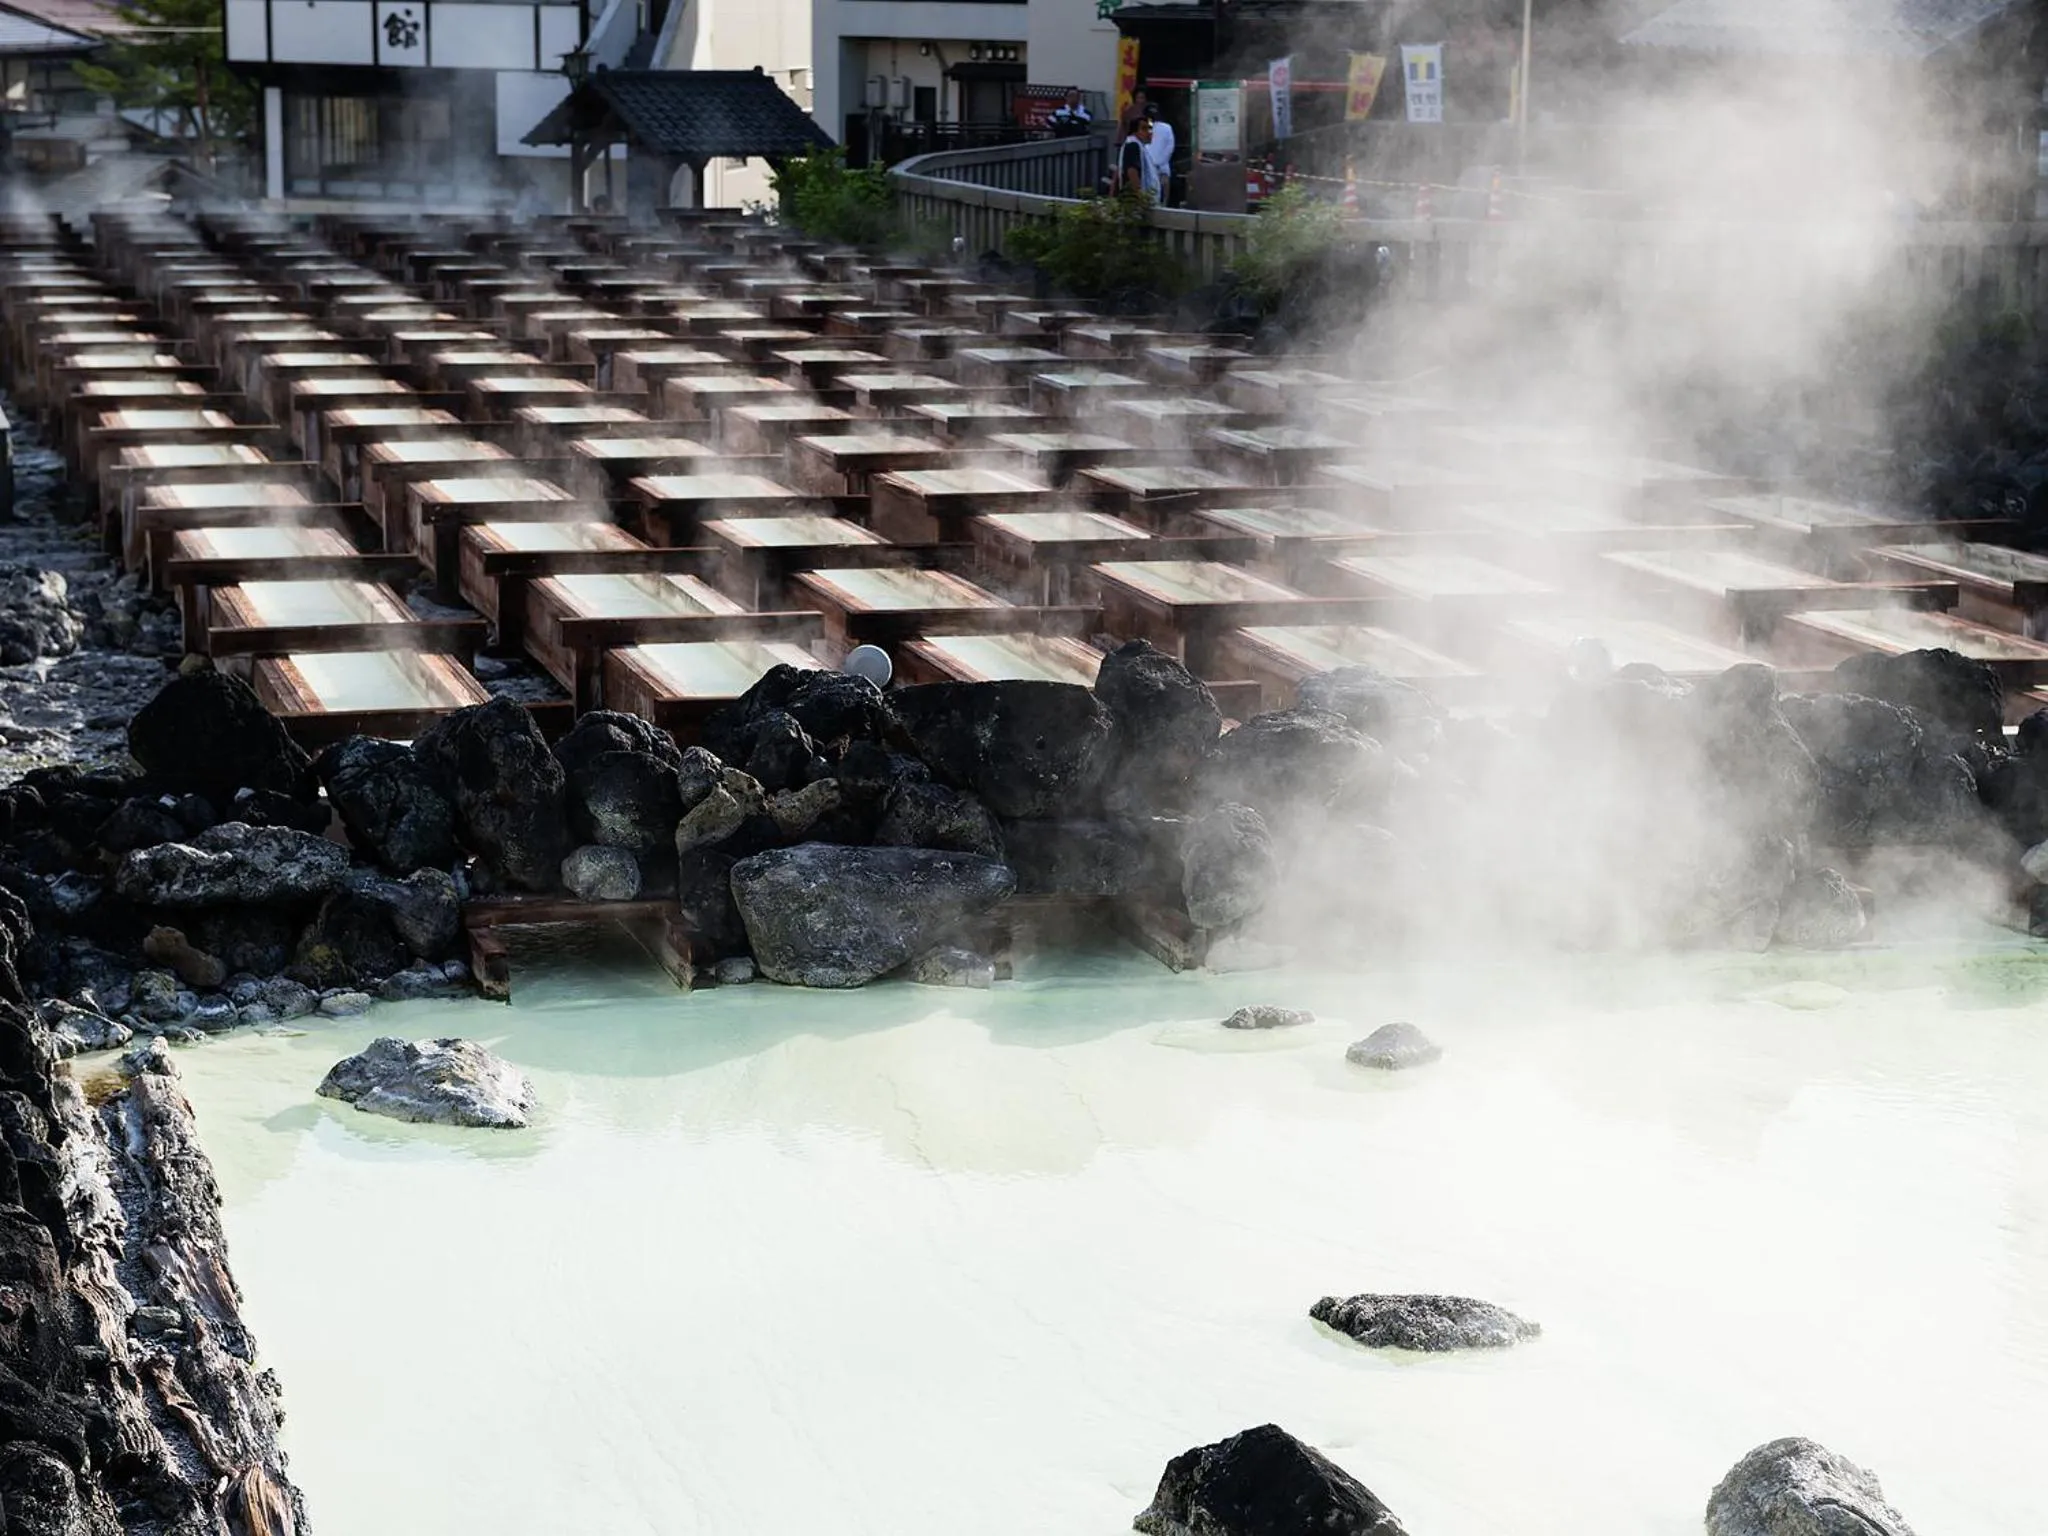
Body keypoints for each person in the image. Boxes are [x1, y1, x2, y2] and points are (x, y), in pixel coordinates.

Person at [1117, 114, 1158, 200]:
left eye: (1149, 129)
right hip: (1135, 201)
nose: (1148, 132)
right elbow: (1132, 171)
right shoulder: (1133, 145)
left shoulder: (1141, 147)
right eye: (1144, 129)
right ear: (1134, 132)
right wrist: (1140, 196)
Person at [1144, 100, 1177, 207]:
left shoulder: (1163, 127)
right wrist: (1160, 162)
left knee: (1154, 192)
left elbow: (1170, 147)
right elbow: (1170, 148)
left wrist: (1155, 163)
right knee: (1160, 195)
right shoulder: (1165, 127)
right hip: (1158, 165)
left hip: (1155, 166)